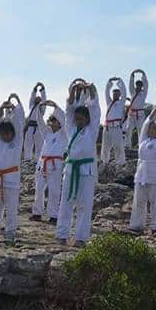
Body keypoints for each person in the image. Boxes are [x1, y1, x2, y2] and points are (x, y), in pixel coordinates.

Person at [56, 80, 101, 247]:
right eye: (77, 119)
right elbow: (68, 112)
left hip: (86, 170)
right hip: (70, 169)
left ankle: (81, 238)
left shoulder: (92, 130)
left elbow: (95, 111)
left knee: (84, 205)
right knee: (65, 202)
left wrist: (91, 91)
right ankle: (62, 235)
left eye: (82, 119)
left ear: (87, 119)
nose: (79, 121)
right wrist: (73, 92)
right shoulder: (71, 128)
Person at [0, 95, 25, 244]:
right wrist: (0, 110)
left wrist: (14, 108)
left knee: (11, 208)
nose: (5, 136)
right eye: (3, 133)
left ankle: (10, 233)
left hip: (11, 180)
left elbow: (19, 124)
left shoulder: (18, 141)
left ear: (13, 133)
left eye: (7, 133)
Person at [130, 105, 156, 235]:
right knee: (139, 200)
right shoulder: (143, 140)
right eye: (150, 128)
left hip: (154, 173)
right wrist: (153, 111)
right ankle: (137, 224)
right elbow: (145, 124)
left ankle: (155, 226)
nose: (151, 130)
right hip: (141, 173)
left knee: (155, 201)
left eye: (154, 128)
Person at [32, 100, 67, 223]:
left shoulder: (64, 134)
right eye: (52, 121)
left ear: (59, 123)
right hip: (43, 164)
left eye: (55, 121)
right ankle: (37, 213)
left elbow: (64, 119)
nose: (52, 123)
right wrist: (39, 107)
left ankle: (54, 215)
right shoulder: (47, 133)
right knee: (39, 189)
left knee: (54, 190)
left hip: (55, 165)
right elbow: (40, 122)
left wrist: (55, 106)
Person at [101, 77, 127, 164]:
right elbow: (106, 92)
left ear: (119, 95)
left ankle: (120, 162)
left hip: (116, 127)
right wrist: (109, 82)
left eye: (117, 94)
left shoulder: (121, 102)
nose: (115, 95)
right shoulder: (109, 102)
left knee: (118, 145)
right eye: (114, 94)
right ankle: (104, 161)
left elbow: (124, 92)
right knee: (105, 146)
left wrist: (120, 81)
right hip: (107, 127)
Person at [124, 69, 149, 148]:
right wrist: (132, 75)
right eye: (137, 85)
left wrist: (143, 74)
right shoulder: (133, 92)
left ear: (141, 86)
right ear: (136, 85)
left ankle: (140, 145)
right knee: (128, 129)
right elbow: (130, 85)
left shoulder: (144, 93)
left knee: (140, 130)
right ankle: (127, 145)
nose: (138, 86)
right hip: (131, 114)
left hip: (140, 114)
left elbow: (146, 85)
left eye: (140, 85)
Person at [22, 83, 47, 162]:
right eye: (36, 98)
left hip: (38, 126)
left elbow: (44, 99)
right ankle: (27, 158)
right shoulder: (31, 106)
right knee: (28, 143)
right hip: (30, 126)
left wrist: (42, 89)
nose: (37, 98)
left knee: (39, 144)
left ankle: (37, 160)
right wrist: (35, 89)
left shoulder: (42, 107)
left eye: (39, 98)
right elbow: (31, 97)